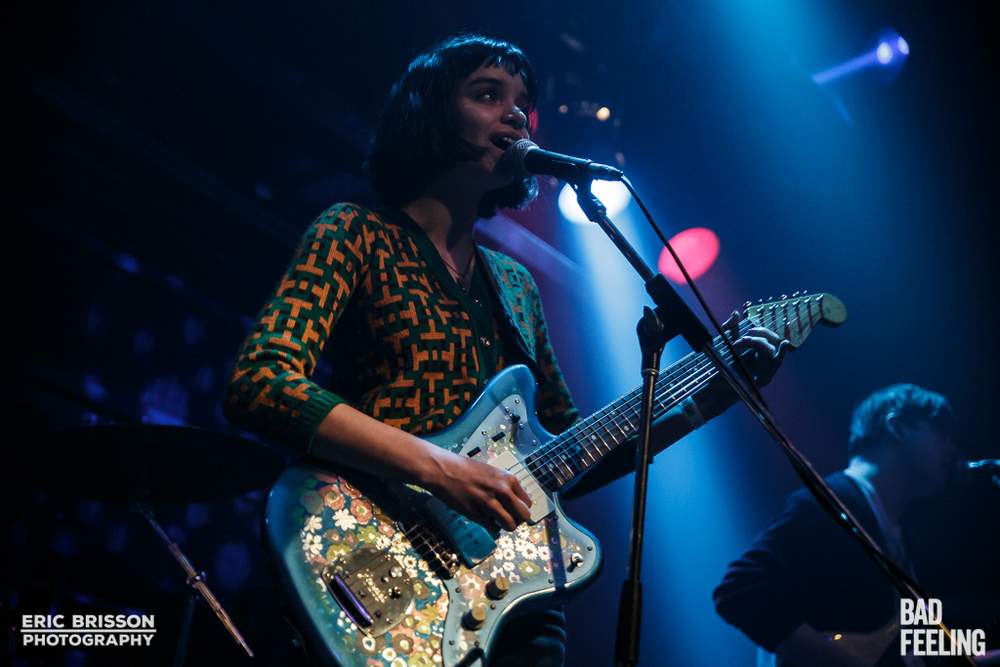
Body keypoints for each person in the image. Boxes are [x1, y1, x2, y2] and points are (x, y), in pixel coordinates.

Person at [224, 33, 786, 667]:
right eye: (488, 95)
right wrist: (442, 469)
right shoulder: (355, 233)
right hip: (378, 558)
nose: (516, 115)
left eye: (523, 103)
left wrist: (708, 399)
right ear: (430, 113)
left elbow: (574, 448)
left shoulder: (515, 284)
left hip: (518, 592)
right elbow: (261, 382)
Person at [713, 383, 959, 667]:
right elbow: (740, 590)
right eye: (942, 434)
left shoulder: (897, 529)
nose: (953, 450)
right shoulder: (826, 504)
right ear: (898, 426)